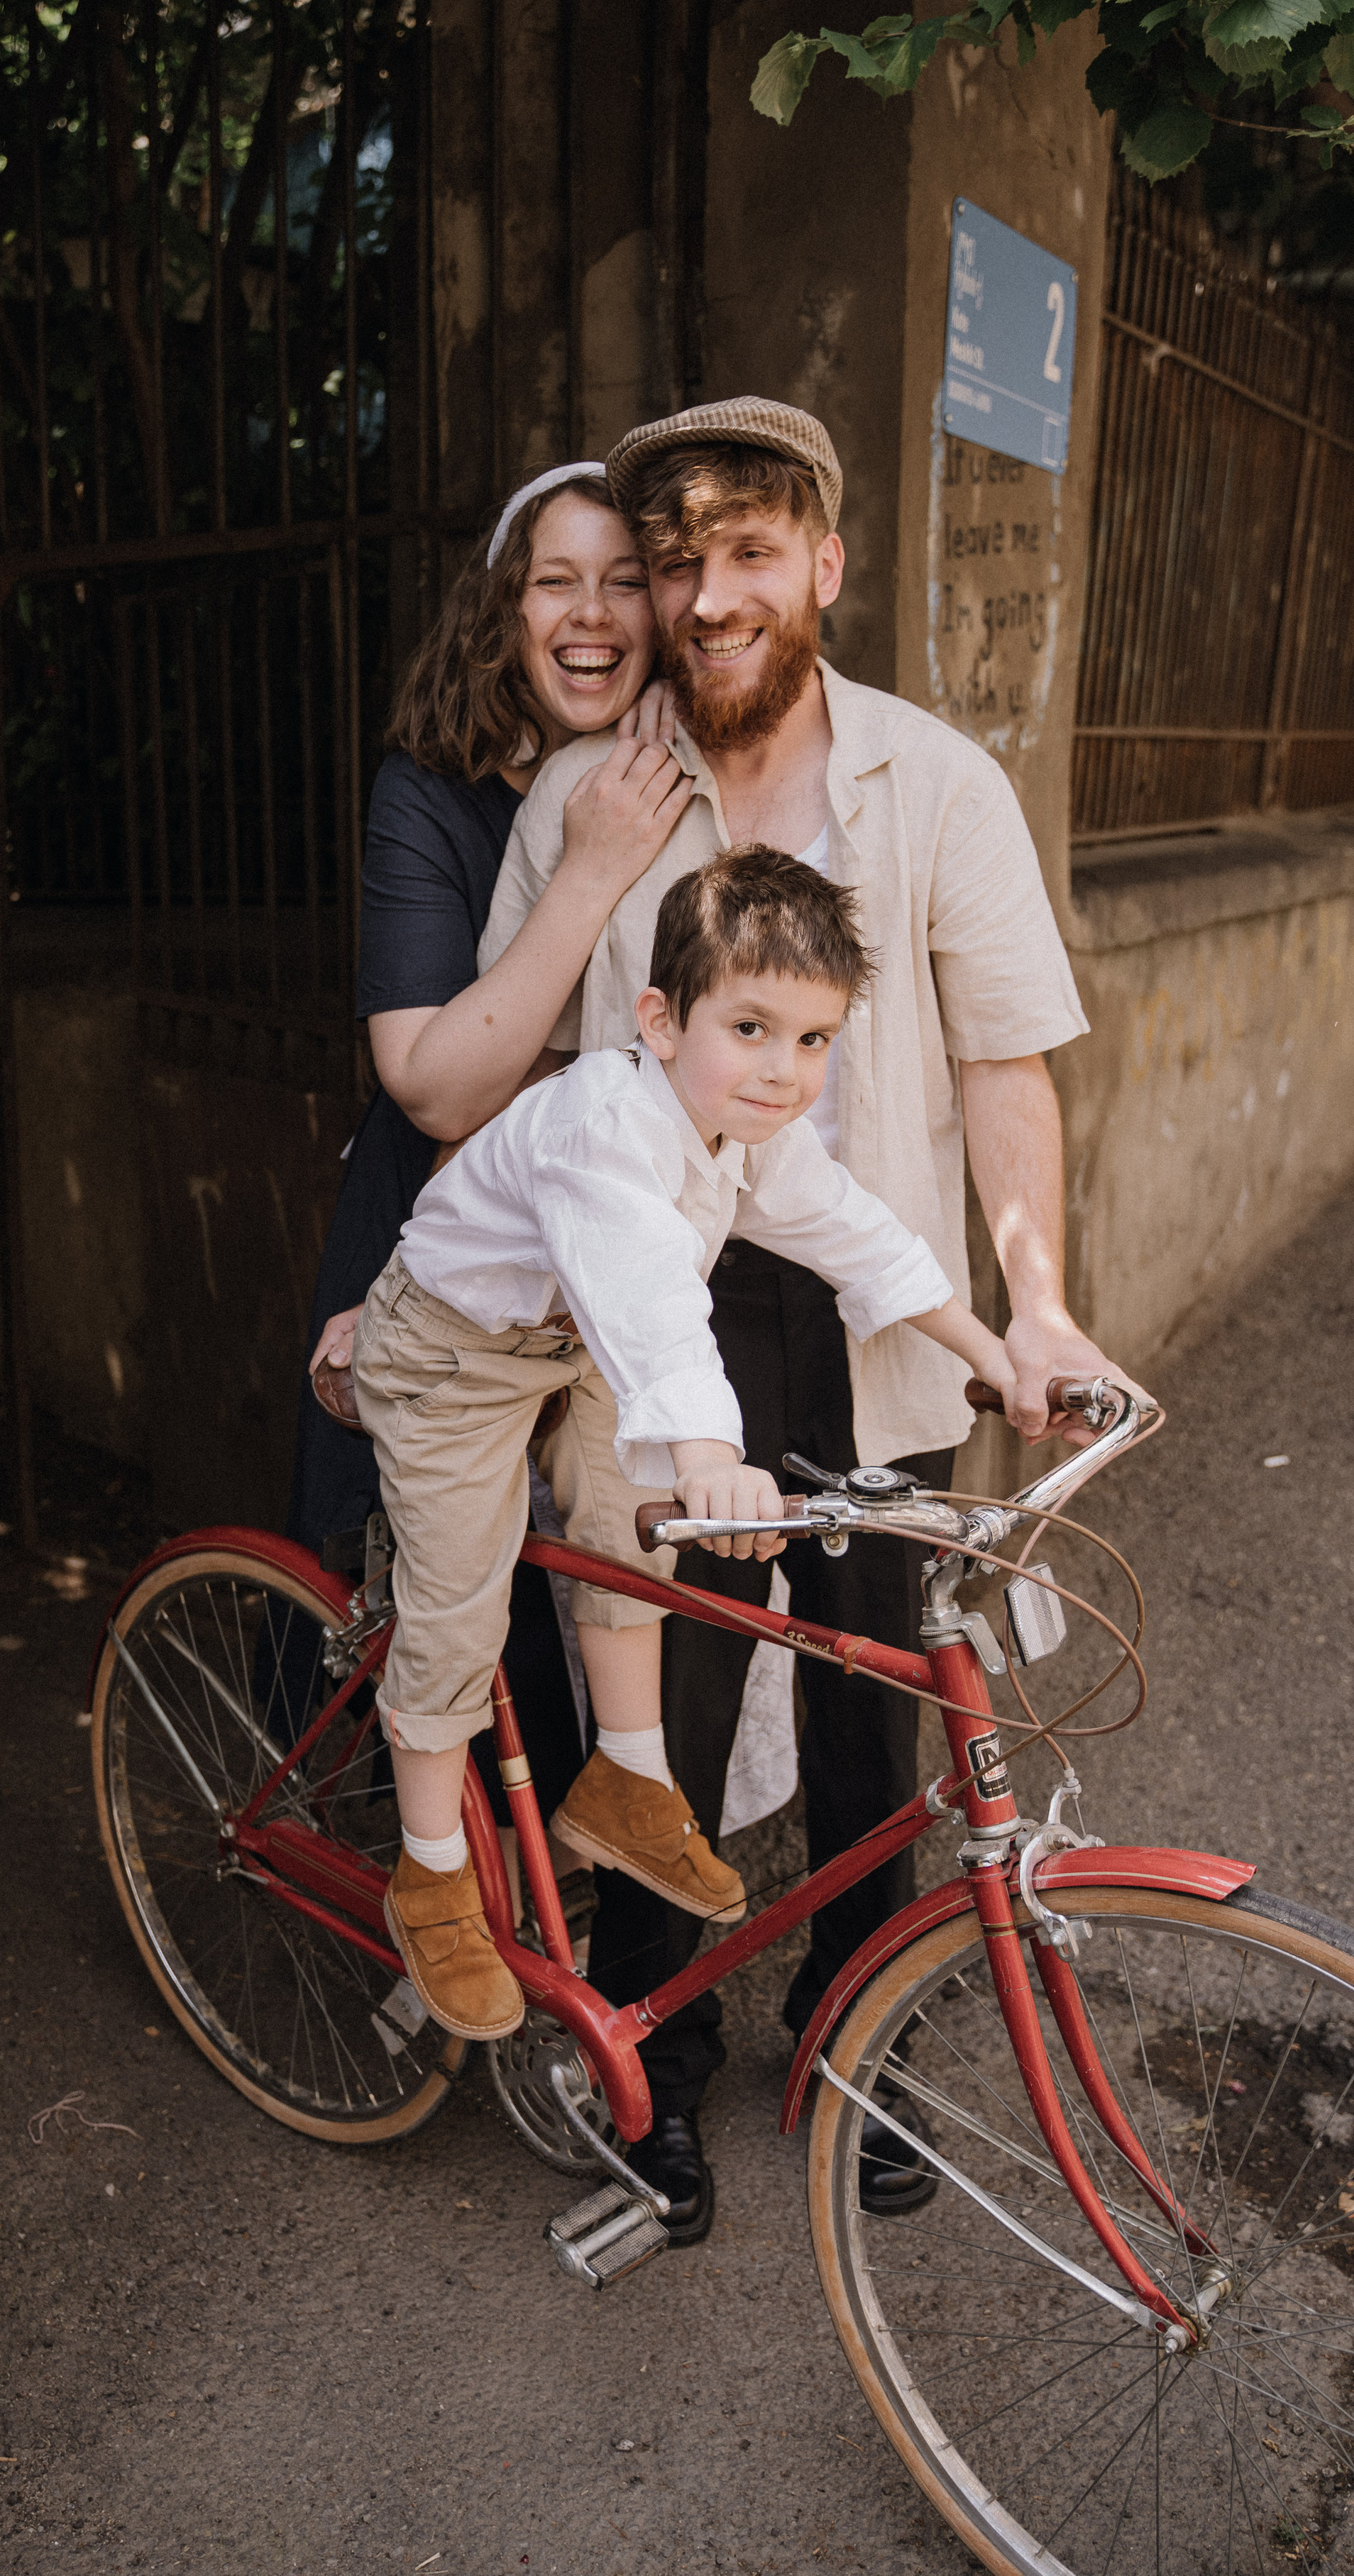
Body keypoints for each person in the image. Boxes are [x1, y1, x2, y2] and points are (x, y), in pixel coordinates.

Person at [478, 395, 1126, 2239]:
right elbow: (504, 1064)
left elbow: (1008, 1065)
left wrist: (1041, 1306)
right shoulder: (582, 798)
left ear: (824, 566)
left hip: (871, 1296)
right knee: (659, 1700)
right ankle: (649, 2051)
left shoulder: (938, 785)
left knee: (871, 1703)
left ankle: (867, 2033)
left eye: (749, 552)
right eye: (678, 561)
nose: (709, 591)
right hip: (661, 1313)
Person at [354, 846, 1016, 2038]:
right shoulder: (606, 1133)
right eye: (752, 1028)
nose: (784, 1072)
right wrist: (711, 1450)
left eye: (814, 1041)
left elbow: (853, 1231)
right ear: (660, 1021)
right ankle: (433, 1871)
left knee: (631, 1526)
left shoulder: (743, 1126)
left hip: (571, 1340)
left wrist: (993, 1351)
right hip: (453, 1349)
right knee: (460, 1593)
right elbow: (654, 1297)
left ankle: (628, 1777)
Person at [289, 458, 695, 1920]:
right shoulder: (430, 794)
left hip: (608, 1256)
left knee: (612, 1582)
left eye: (621, 580)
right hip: (439, 1240)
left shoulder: (694, 759)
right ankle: (432, 1914)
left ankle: (582, 1948)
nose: (589, 615)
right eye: (551, 582)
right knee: (445, 1606)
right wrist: (587, 863)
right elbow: (438, 1085)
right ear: (502, 613)